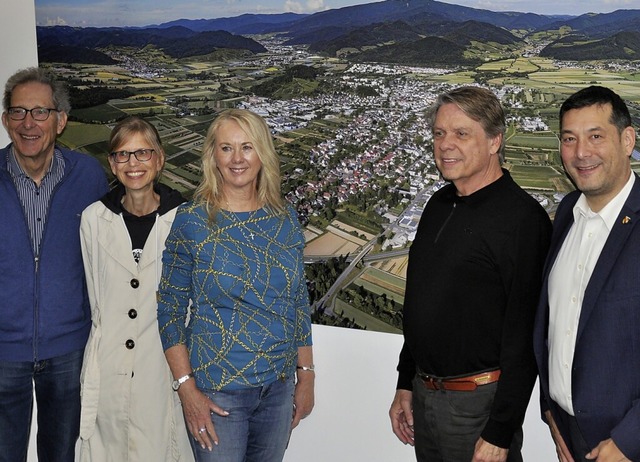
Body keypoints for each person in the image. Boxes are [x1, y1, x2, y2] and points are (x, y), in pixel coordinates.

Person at [389, 86, 552, 462]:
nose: (446, 145)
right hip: (424, 394)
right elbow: (422, 305)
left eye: (462, 134)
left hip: (478, 407)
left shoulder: (522, 221)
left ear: (495, 141)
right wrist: (405, 383)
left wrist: (500, 430)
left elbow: (525, 338)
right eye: (439, 133)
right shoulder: (438, 203)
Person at [157, 108, 314, 462]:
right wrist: (186, 390)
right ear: (213, 156)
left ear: (263, 154)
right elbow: (169, 310)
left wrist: (306, 376)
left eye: (247, 147)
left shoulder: (284, 217)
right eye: (226, 148)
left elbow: (297, 303)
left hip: (277, 389)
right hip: (216, 393)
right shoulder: (192, 221)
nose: (237, 158)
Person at [0, 67, 108, 461]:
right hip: (2, 352)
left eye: (40, 112)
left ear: (60, 121)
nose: (28, 123)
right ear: (5, 120)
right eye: (18, 112)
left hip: (68, 350)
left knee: (61, 455)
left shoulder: (89, 177)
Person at [533, 86, 640, 462]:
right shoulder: (565, 213)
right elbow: (552, 321)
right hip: (568, 434)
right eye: (569, 139)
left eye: (596, 136)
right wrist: (550, 407)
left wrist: (630, 441)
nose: (581, 153)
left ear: (627, 140)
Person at [78, 116, 193, 461]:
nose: (133, 164)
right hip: (108, 368)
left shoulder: (186, 220)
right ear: (112, 163)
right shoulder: (93, 219)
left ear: (160, 159)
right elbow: (95, 295)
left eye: (143, 153)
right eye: (123, 155)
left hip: (162, 368)